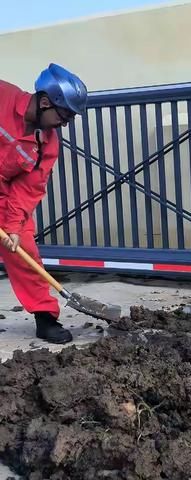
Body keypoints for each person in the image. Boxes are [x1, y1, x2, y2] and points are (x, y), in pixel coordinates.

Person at [0, 63, 87, 344]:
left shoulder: (47, 143)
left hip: (6, 194)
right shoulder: (3, 96)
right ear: (46, 101)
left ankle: (45, 318)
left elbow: (29, 188)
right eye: (65, 115)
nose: (66, 123)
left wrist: (13, 226)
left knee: (23, 247)